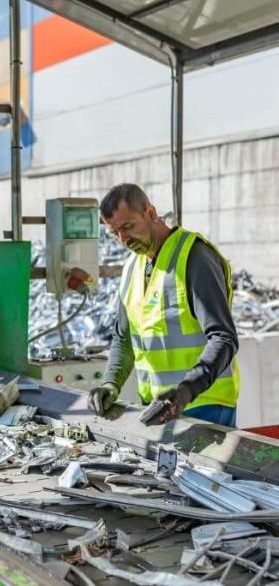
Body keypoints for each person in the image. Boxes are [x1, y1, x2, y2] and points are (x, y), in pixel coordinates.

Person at [87, 183, 239, 427]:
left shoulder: (195, 258)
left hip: (203, 405)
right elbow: (124, 339)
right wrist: (110, 383)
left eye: (128, 226)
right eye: (115, 233)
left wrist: (186, 391)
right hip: (157, 408)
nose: (123, 239)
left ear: (150, 213)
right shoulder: (131, 269)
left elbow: (224, 338)